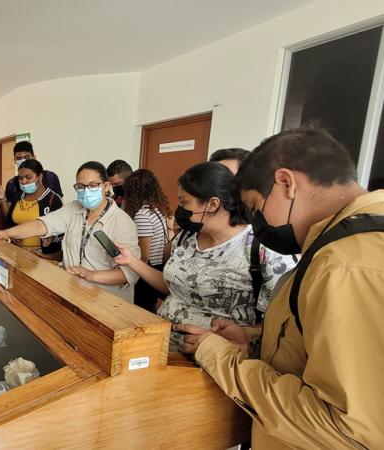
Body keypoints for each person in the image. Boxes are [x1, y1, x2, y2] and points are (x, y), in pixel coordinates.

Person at [174, 128, 384, 449]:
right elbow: (319, 344)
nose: (257, 225)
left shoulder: (345, 266)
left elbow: (345, 427)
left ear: (286, 183)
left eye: (256, 208)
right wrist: (256, 340)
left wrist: (220, 356)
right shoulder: (343, 244)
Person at [114, 162, 295, 349]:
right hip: (165, 346)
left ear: (212, 204)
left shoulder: (262, 248)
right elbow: (174, 287)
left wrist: (228, 342)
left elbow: (279, 324)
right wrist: (132, 261)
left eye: (185, 202)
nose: (180, 210)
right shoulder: (185, 238)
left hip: (218, 358)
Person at [0, 161, 140, 298]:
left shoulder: (122, 223)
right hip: (74, 292)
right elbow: (42, 225)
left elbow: (128, 273)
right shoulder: (74, 209)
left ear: (106, 186)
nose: (85, 191)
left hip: (107, 300)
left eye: (92, 186)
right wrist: (5, 233)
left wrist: (92, 275)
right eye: (80, 187)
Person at [121, 169, 171, 313]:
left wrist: (134, 270)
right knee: (150, 307)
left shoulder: (142, 215)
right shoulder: (156, 209)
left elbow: (145, 255)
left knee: (142, 310)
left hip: (148, 270)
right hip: (159, 265)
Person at [3, 159, 63, 257]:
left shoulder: (53, 199)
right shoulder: (18, 197)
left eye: (28, 177)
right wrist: (12, 236)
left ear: (40, 177)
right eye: (20, 178)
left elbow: (62, 228)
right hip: (16, 253)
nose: (24, 181)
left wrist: (53, 237)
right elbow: (9, 223)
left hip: (42, 256)